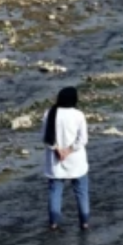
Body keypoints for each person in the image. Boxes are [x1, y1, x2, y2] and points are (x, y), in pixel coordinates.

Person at [42, 86, 90, 231]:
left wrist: (58, 150)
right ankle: (84, 223)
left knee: (55, 192)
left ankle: (53, 223)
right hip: (76, 161)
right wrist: (69, 150)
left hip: (56, 161)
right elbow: (83, 140)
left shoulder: (49, 113)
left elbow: (45, 138)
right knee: (81, 192)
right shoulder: (78, 115)